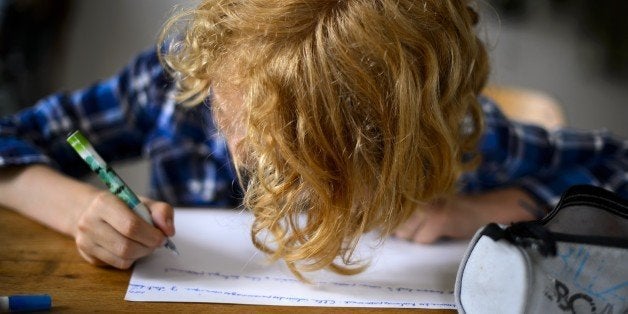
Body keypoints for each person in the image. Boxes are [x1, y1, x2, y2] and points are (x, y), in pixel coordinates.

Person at [0, 0, 626, 280]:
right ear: (213, 69)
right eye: (233, 115)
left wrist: (487, 208)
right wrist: (80, 208)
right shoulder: (170, 92)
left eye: (292, 152)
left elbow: (615, 171)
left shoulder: (450, 137)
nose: (243, 153)